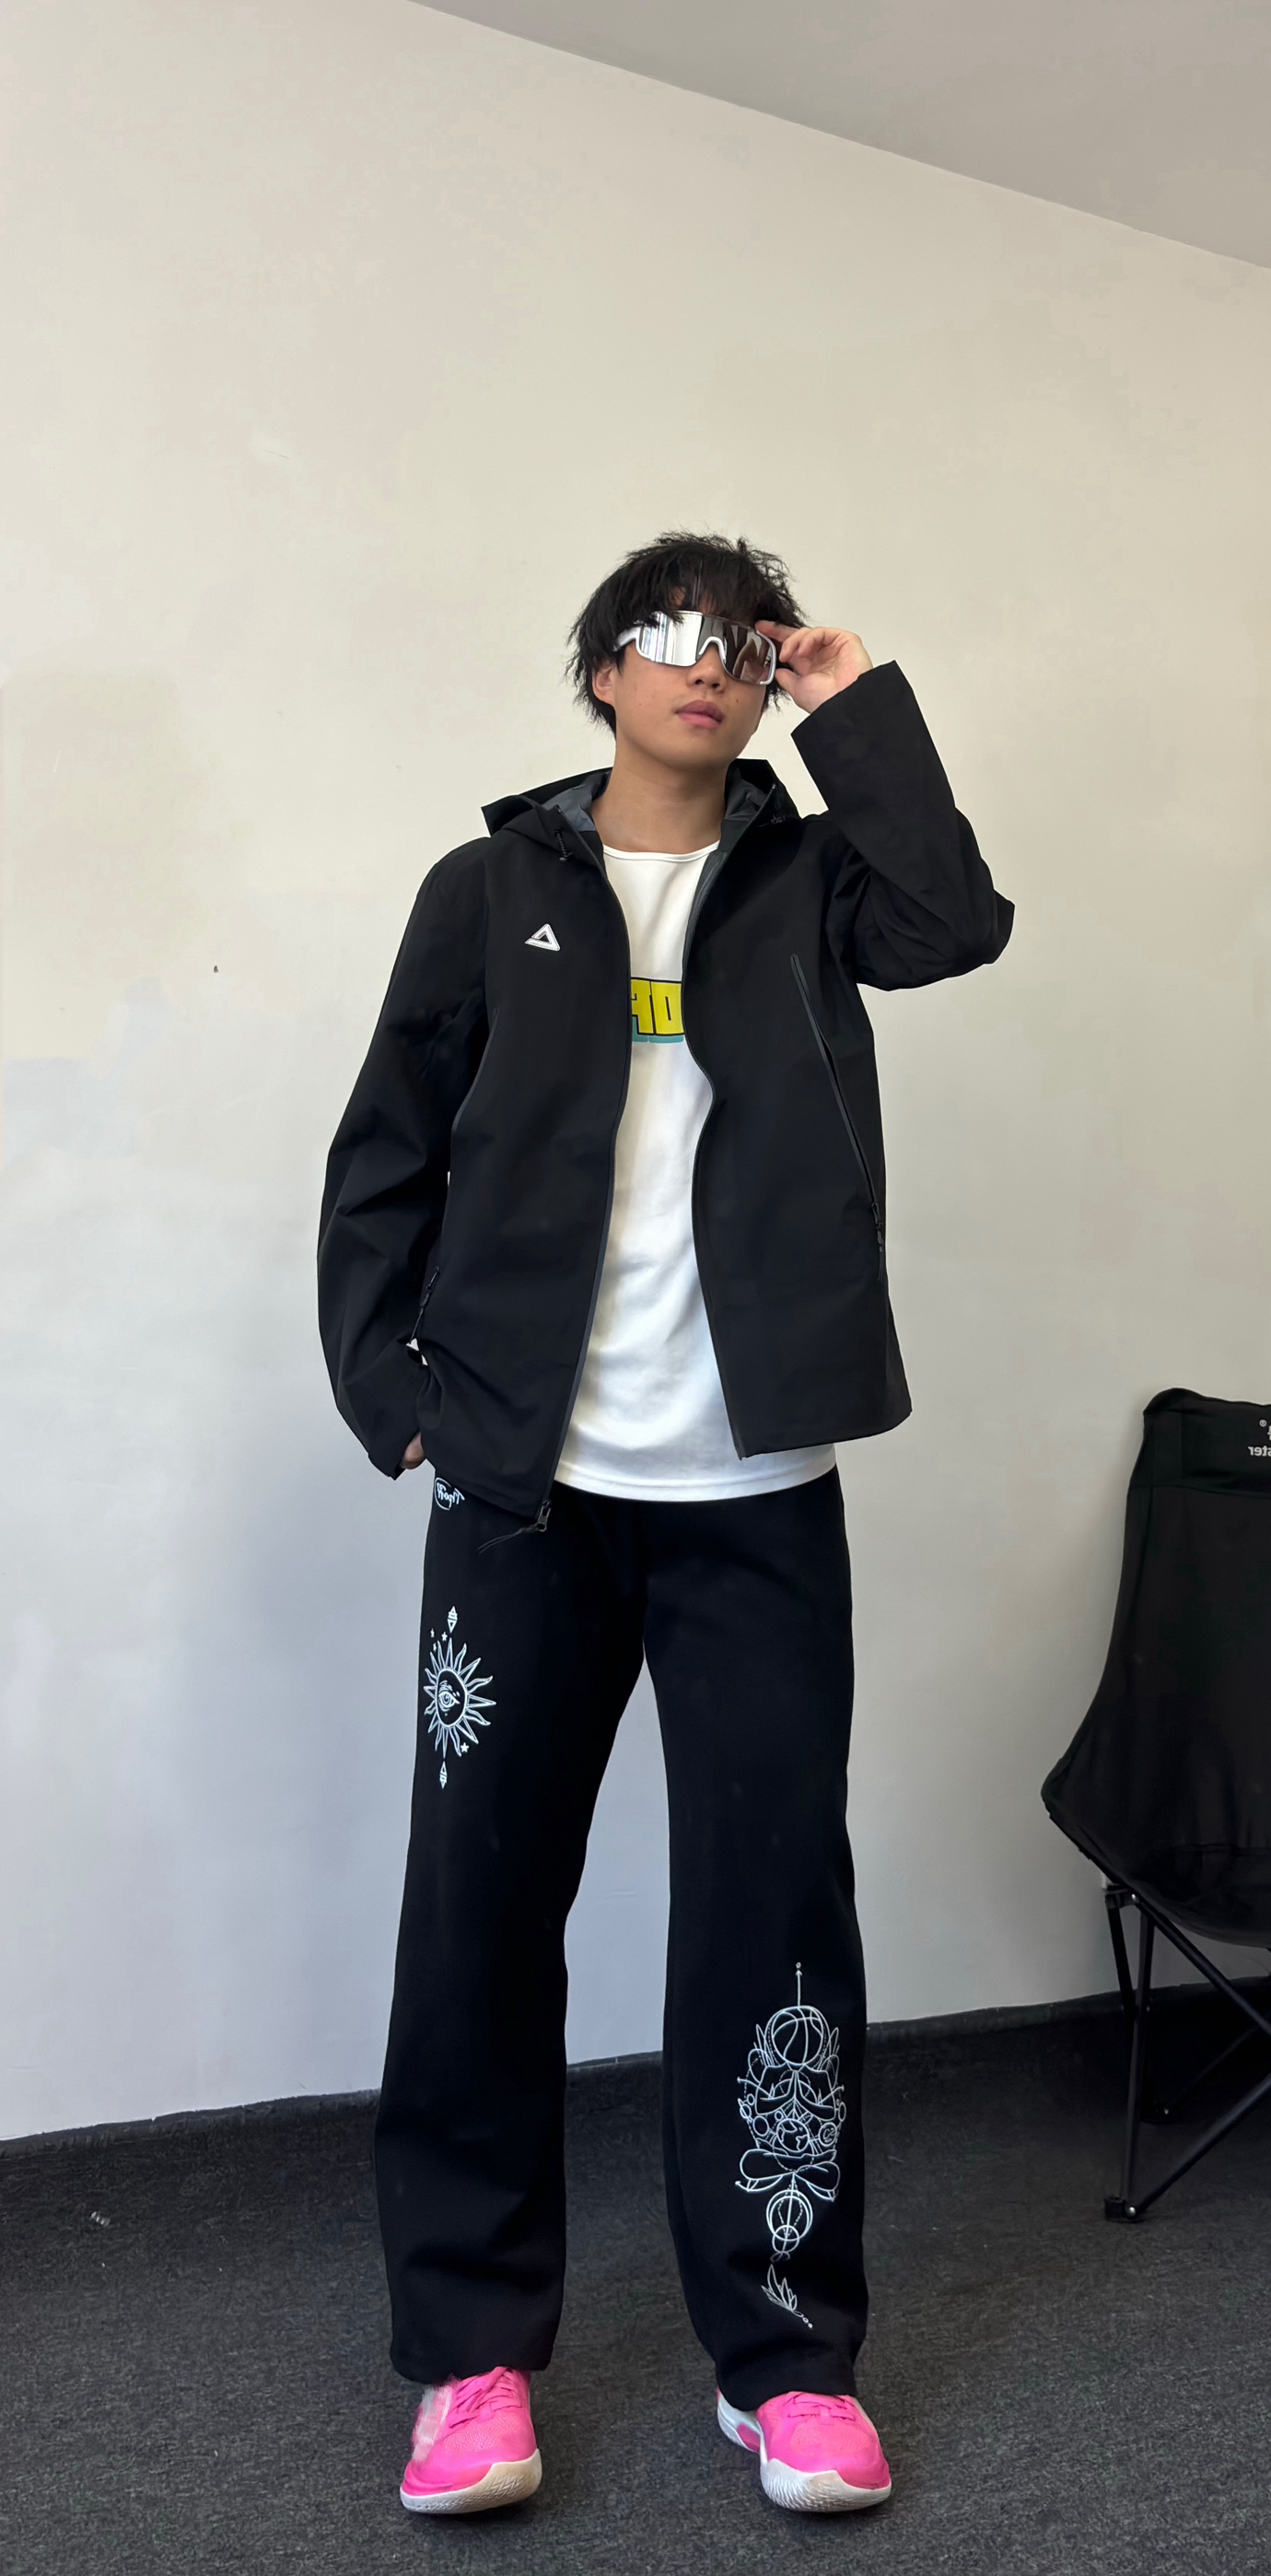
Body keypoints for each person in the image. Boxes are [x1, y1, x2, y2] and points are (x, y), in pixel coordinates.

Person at [318, 533, 1012, 2517]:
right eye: (666, 635)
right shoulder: (487, 893)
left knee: (774, 1919)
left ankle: (786, 2356)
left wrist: (852, 702)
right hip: (521, 1492)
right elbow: (384, 1150)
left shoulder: (814, 882)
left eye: (740, 644)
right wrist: (394, 1398)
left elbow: (958, 920)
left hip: (754, 1493)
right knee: (476, 1916)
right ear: (603, 672)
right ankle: (468, 2356)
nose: (704, 666)